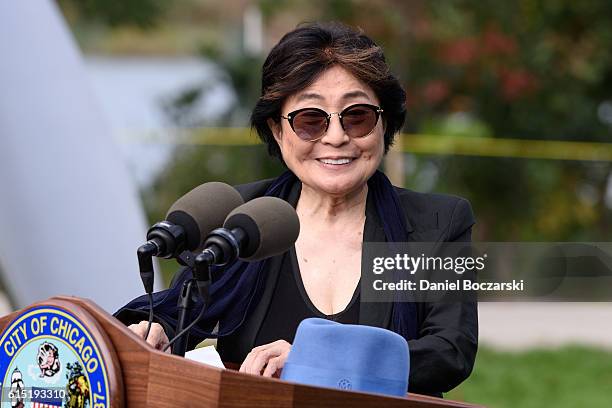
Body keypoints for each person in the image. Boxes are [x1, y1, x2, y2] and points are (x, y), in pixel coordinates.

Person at [116, 22, 477, 397]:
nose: (336, 137)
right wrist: (158, 330)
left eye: (357, 116)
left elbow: (450, 352)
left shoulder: (436, 221)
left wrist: (316, 362)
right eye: (310, 120)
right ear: (277, 130)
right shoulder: (240, 218)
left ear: (383, 123)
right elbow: (181, 311)